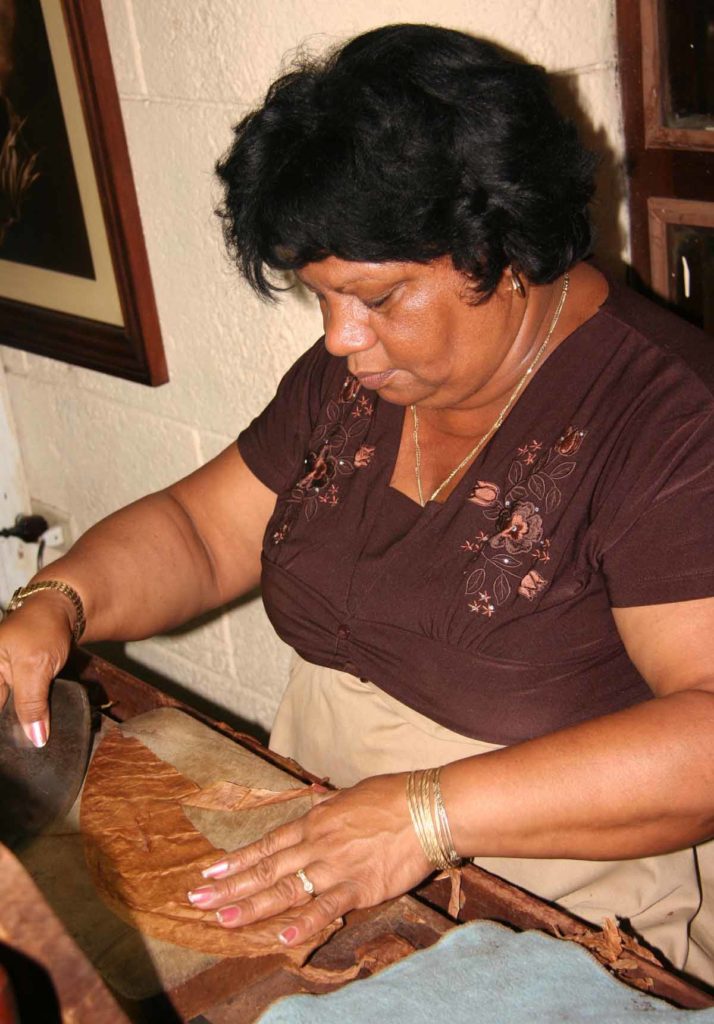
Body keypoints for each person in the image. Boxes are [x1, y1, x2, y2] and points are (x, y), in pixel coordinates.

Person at [2, 24, 713, 985]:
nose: (340, 339)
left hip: (556, 903)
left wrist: (425, 815)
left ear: (504, 248)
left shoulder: (670, 418)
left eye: (376, 297)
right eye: (322, 298)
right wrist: (60, 599)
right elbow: (205, 533)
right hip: (315, 833)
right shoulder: (360, 381)